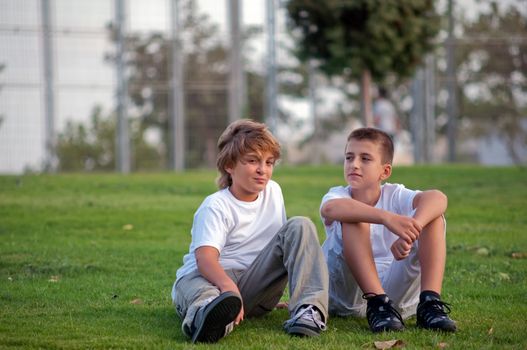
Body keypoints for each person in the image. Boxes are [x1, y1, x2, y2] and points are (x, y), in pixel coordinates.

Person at [171, 119, 329, 343]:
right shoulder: (215, 206)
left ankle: (308, 309)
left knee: (300, 224)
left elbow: (281, 249)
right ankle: (206, 319)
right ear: (229, 165)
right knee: (207, 296)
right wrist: (228, 288)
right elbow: (205, 259)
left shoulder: (273, 191)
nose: (262, 170)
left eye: (269, 162)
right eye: (252, 161)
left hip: (251, 283)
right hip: (207, 278)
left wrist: (273, 294)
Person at [319, 127, 456, 333]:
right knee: (353, 217)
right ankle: (377, 303)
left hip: (392, 295)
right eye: (349, 157)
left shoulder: (395, 194)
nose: (354, 164)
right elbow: (330, 208)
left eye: (365, 159)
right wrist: (387, 218)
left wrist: (412, 231)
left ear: (385, 171)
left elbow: (438, 198)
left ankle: (430, 304)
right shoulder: (338, 195)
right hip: (347, 295)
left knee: (433, 217)